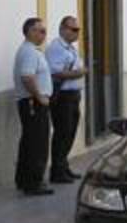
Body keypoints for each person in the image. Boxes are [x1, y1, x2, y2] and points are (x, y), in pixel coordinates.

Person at [13, 17, 54, 195]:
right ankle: (34, 183)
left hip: (32, 101)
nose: (44, 34)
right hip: (33, 102)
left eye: (44, 31)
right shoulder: (29, 52)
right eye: (40, 31)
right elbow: (27, 76)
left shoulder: (31, 50)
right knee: (37, 142)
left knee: (29, 141)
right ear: (30, 32)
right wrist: (39, 97)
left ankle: (24, 179)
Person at [46, 16, 87, 183]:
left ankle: (63, 166)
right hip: (63, 97)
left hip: (73, 95)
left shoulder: (70, 48)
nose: (77, 33)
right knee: (62, 133)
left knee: (70, 133)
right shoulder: (56, 48)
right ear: (63, 29)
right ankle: (57, 171)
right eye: (74, 29)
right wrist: (80, 72)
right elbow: (55, 72)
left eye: (78, 30)